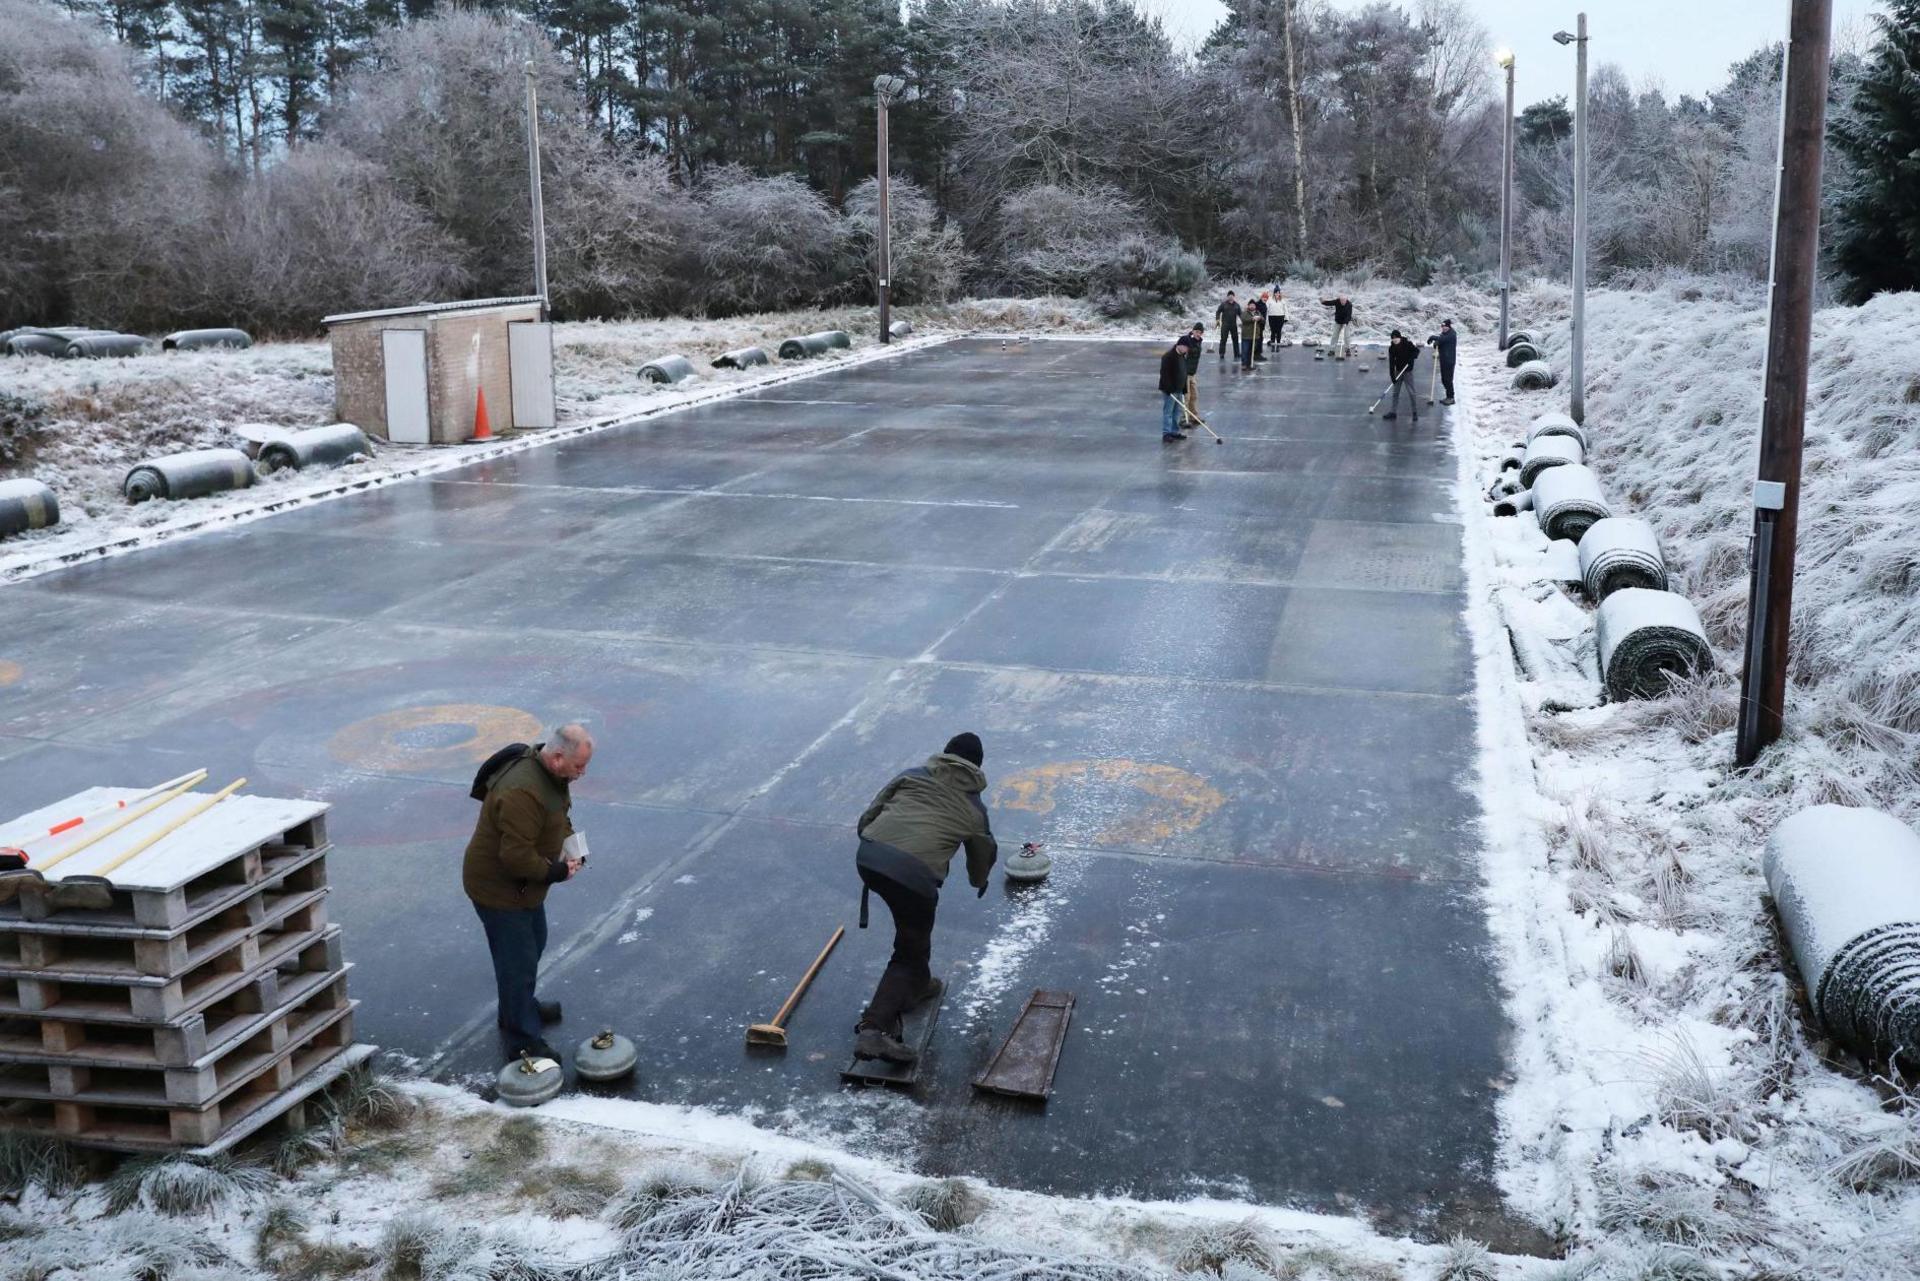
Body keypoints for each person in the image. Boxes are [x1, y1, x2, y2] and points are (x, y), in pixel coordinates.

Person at [852, 733, 998, 1063]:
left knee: (914, 934)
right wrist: (980, 881)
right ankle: (873, 1031)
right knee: (907, 950)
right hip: (913, 876)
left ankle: (919, 984)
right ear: (976, 768)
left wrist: (877, 846)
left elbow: (869, 817)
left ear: (944, 755)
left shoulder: (912, 775)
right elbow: (982, 854)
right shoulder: (974, 810)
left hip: (870, 856)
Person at [463, 724, 592, 1061]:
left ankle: (519, 1007)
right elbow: (515, 857)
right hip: (500, 889)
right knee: (517, 961)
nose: (583, 773)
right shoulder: (523, 790)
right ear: (558, 757)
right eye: (579, 766)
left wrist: (575, 847)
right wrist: (558, 871)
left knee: (534, 942)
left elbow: (559, 815)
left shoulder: (552, 777)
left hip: (523, 889)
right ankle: (522, 1038)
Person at [1159, 338, 1193, 441]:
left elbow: (1184, 373)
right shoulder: (1168, 356)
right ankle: (1166, 433)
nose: (1187, 350)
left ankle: (1174, 431)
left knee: (1176, 412)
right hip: (1170, 390)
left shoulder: (1182, 356)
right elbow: (1164, 375)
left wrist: (1184, 388)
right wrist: (1168, 389)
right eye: (1186, 347)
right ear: (1180, 345)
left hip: (1179, 389)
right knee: (1168, 412)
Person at [1383, 331, 1420, 421]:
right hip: (1398, 371)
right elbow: (1391, 363)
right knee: (1395, 392)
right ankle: (1393, 412)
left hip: (1408, 372)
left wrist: (1412, 357)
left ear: (1400, 337)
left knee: (1411, 392)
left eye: (1396, 338)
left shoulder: (1407, 344)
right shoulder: (1392, 348)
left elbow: (1416, 351)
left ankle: (1414, 412)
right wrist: (1392, 376)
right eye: (1393, 338)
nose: (1395, 340)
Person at [1427, 319, 1458, 405]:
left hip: (1449, 360)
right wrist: (1436, 343)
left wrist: (1433, 338)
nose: (1444, 328)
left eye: (1445, 326)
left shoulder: (1452, 334)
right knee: (1444, 379)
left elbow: (1443, 339)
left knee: (1448, 379)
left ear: (1449, 326)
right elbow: (1441, 341)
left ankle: (1451, 398)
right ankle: (1448, 396)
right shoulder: (1444, 334)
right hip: (1444, 359)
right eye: (1442, 326)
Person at [1319, 294, 1354, 358]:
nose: (1342, 302)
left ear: (1346, 300)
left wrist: (1345, 323)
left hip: (1346, 322)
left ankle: (1347, 349)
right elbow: (1330, 303)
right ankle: (1332, 350)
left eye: (1344, 300)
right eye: (1341, 300)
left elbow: (1349, 315)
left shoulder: (1349, 304)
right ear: (1339, 300)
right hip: (1338, 321)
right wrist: (1323, 302)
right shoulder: (1337, 301)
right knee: (1335, 335)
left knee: (1346, 336)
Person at [1182, 323, 1205, 422]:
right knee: (1186, 397)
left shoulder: (1199, 341)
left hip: (1192, 373)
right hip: (1184, 373)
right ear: (1193, 331)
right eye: (1196, 332)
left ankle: (1193, 416)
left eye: (1200, 332)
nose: (1198, 334)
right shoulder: (1187, 341)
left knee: (1194, 395)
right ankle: (1184, 418)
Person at [1215, 291, 1242, 361]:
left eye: (1232, 295)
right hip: (1225, 324)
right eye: (1229, 295)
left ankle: (1237, 353)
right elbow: (1218, 311)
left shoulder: (1237, 305)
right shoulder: (1223, 304)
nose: (1230, 296)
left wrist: (1244, 322)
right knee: (1223, 339)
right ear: (1227, 297)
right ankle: (1221, 354)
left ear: (1234, 296)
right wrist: (1217, 319)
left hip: (1233, 325)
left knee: (1235, 339)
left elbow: (1241, 314)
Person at [1249, 293, 1268, 363]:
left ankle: (1255, 353)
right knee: (1258, 339)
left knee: (1259, 339)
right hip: (1257, 325)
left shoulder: (1264, 305)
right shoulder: (1257, 304)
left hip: (1261, 325)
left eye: (1266, 298)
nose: (1265, 299)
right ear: (1261, 297)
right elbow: (1252, 311)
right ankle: (1257, 354)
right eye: (1264, 297)